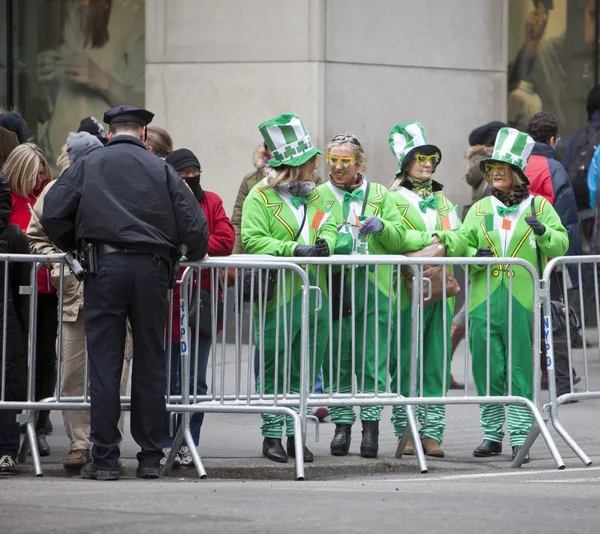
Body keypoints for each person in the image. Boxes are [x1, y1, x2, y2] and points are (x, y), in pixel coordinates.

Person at [41, 105, 209, 481]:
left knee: (104, 363)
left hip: (104, 268)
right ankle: (149, 457)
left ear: (110, 132)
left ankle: (105, 460)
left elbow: (52, 213)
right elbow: (195, 228)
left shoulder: (88, 164)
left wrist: (77, 246)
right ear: (143, 134)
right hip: (151, 271)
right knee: (150, 361)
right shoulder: (162, 169)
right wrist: (188, 256)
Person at [28, 131, 134, 469]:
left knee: (113, 376)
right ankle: (79, 444)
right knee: (72, 376)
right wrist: (62, 268)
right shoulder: (55, 190)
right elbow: (36, 236)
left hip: (115, 296)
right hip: (75, 301)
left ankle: (108, 444)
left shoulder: (118, 187)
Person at [463, 127, 568, 463]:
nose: (494, 173)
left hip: (522, 302)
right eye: (491, 168)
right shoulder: (479, 210)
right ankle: (492, 433)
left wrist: (544, 231)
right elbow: (461, 246)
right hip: (483, 301)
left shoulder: (539, 207)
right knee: (487, 367)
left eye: (501, 169)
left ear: (517, 174)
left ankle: (520, 434)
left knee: (521, 369)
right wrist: (471, 257)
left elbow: (561, 243)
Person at [242, 112, 338, 463]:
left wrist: (328, 242)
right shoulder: (260, 196)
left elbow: (334, 227)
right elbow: (252, 239)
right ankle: (271, 435)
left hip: (316, 295)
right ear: (296, 165)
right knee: (273, 364)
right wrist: (292, 250)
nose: (316, 166)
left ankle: (297, 432)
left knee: (307, 366)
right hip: (279, 296)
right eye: (311, 161)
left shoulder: (318, 197)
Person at [316, 134, 405, 458]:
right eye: (333, 160)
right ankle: (342, 426)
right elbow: (312, 232)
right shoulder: (319, 195)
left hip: (376, 289)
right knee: (337, 358)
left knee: (373, 360)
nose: (338, 167)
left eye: (345, 162)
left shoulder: (381, 194)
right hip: (336, 287)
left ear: (359, 164)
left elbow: (400, 237)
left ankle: (371, 428)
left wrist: (382, 226)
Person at [387, 121, 467, 458]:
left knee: (436, 362)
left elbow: (463, 240)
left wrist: (439, 244)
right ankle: (404, 430)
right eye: (419, 157)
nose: (427, 163)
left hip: (440, 295)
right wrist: (435, 243)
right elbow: (393, 239)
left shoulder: (445, 204)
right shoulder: (390, 199)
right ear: (404, 163)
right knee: (403, 361)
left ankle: (432, 432)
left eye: (431, 158)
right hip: (403, 294)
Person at [162, 148, 234, 466]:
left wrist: (195, 248)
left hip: (202, 302)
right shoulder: (160, 201)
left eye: (195, 171)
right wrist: (194, 248)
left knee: (196, 381)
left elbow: (226, 239)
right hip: (166, 302)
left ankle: (190, 441)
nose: (191, 177)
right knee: (168, 378)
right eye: (183, 173)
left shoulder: (212, 201)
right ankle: (166, 442)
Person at [3, 143, 56, 456]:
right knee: (17, 358)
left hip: (46, 291)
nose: (40, 179)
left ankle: (39, 424)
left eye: (43, 173)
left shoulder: (48, 197)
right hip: (16, 290)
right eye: (35, 174)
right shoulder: (8, 200)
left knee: (45, 359)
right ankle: (16, 424)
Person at [525, 112, 583, 397]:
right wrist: (569, 265)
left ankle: (527, 386)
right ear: (552, 139)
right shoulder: (554, 168)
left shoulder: (515, 165)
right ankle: (561, 384)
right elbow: (568, 221)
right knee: (555, 321)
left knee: (525, 320)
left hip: (517, 260)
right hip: (549, 259)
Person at [451, 121, 508, 387]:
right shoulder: (490, 167)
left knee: (470, 308)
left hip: (482, 245)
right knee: (470, 310)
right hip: (486, 245)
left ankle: (442, 365)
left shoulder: (477, 167)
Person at [0, 152, 31, 475]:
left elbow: (23, 290)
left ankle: (7, 450)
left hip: (9, 321)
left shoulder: (14, 237)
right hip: (10, 321)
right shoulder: (13, 236)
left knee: (6, 382)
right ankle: (6, 451)